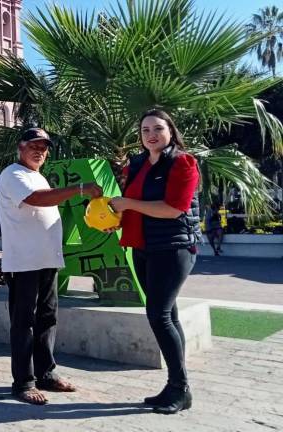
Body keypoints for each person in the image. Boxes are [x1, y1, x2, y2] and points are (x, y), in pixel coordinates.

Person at [0, 128, 103, 405]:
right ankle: (23, 382)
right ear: (20, 147)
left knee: (47, 319)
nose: (39, 151)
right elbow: (36, 199)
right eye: (33, 145)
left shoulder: (38, 176)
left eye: (44, 147)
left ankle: (46, 373)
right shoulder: (13, 174)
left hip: (47, 261)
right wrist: (80, 189)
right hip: (24, 263)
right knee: (24, 323)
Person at [109, 109, 201, 414]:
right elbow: (134, 208)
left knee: (158, 315)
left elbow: (174, 209)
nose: (151, 134)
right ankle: (175, 385)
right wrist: (116, 219)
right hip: (144, 247)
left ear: (170, 132)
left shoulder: (182, 163)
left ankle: (180, 388)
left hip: (173, 248)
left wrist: (127, 203)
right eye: (145, 129)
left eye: (158, 129)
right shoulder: (137, 165)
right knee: (168, 316)